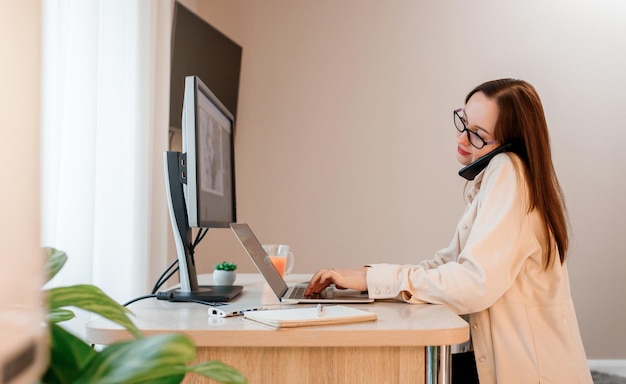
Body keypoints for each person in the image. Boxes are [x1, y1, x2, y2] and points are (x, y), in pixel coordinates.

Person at [305, 79, 592, 383]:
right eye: (463, 122)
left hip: (527, 372)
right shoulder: (500, 177)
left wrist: (373, 280)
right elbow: (449, 265)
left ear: (510, 143)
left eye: (478, 135)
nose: (462, 138)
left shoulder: (507, 171)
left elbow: (473, 284)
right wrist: (368, 279)